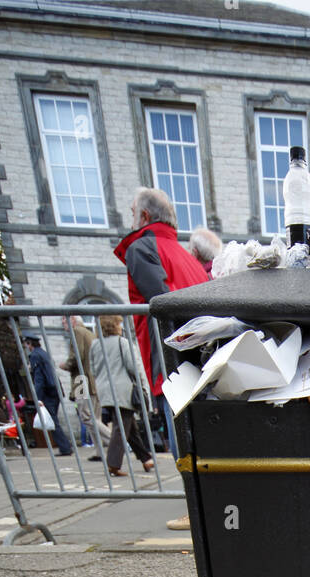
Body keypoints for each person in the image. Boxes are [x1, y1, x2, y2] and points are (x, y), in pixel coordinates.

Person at [114, 187, 208, 527]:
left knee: (179, 433)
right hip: (199, 353)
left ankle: (197, 510)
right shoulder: (185, 255)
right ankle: (206, 503)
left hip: (170, 355)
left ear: (143, 217)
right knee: (197, 431)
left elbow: (162, 304)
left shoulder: (142, 248)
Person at [89, 315, 154, 477]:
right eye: (119, 323)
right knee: (121, 427)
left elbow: (92, 369)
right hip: (123, 390)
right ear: (114, 325)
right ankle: (113, 463)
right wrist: (142, 383)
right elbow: (133, 365)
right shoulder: (122, 342)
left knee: (129, 426)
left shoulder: (95, 345)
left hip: (104, 389)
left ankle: (146, 459)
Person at [61, 315, 112, 456]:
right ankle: (99, 451)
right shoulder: (90, 333)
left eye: (64, 320)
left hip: (81, 380)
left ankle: (114, 441)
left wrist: (65, 365)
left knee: (86, 417)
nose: (62, 323)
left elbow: (76, 356)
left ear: (73, 320)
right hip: (94, 380)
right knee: (95, 417)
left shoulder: (77, 331)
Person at [22, 333, 74, 455]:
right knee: (53, 420)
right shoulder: (44, 353)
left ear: (29, 344)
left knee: (53, 421)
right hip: (55, 390)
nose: (25, 346)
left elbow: (39, 378)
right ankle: (65, 446)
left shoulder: (35, 355)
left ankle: (65, 447)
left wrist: (38, 398)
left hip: (48, 392)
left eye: (26, 343)